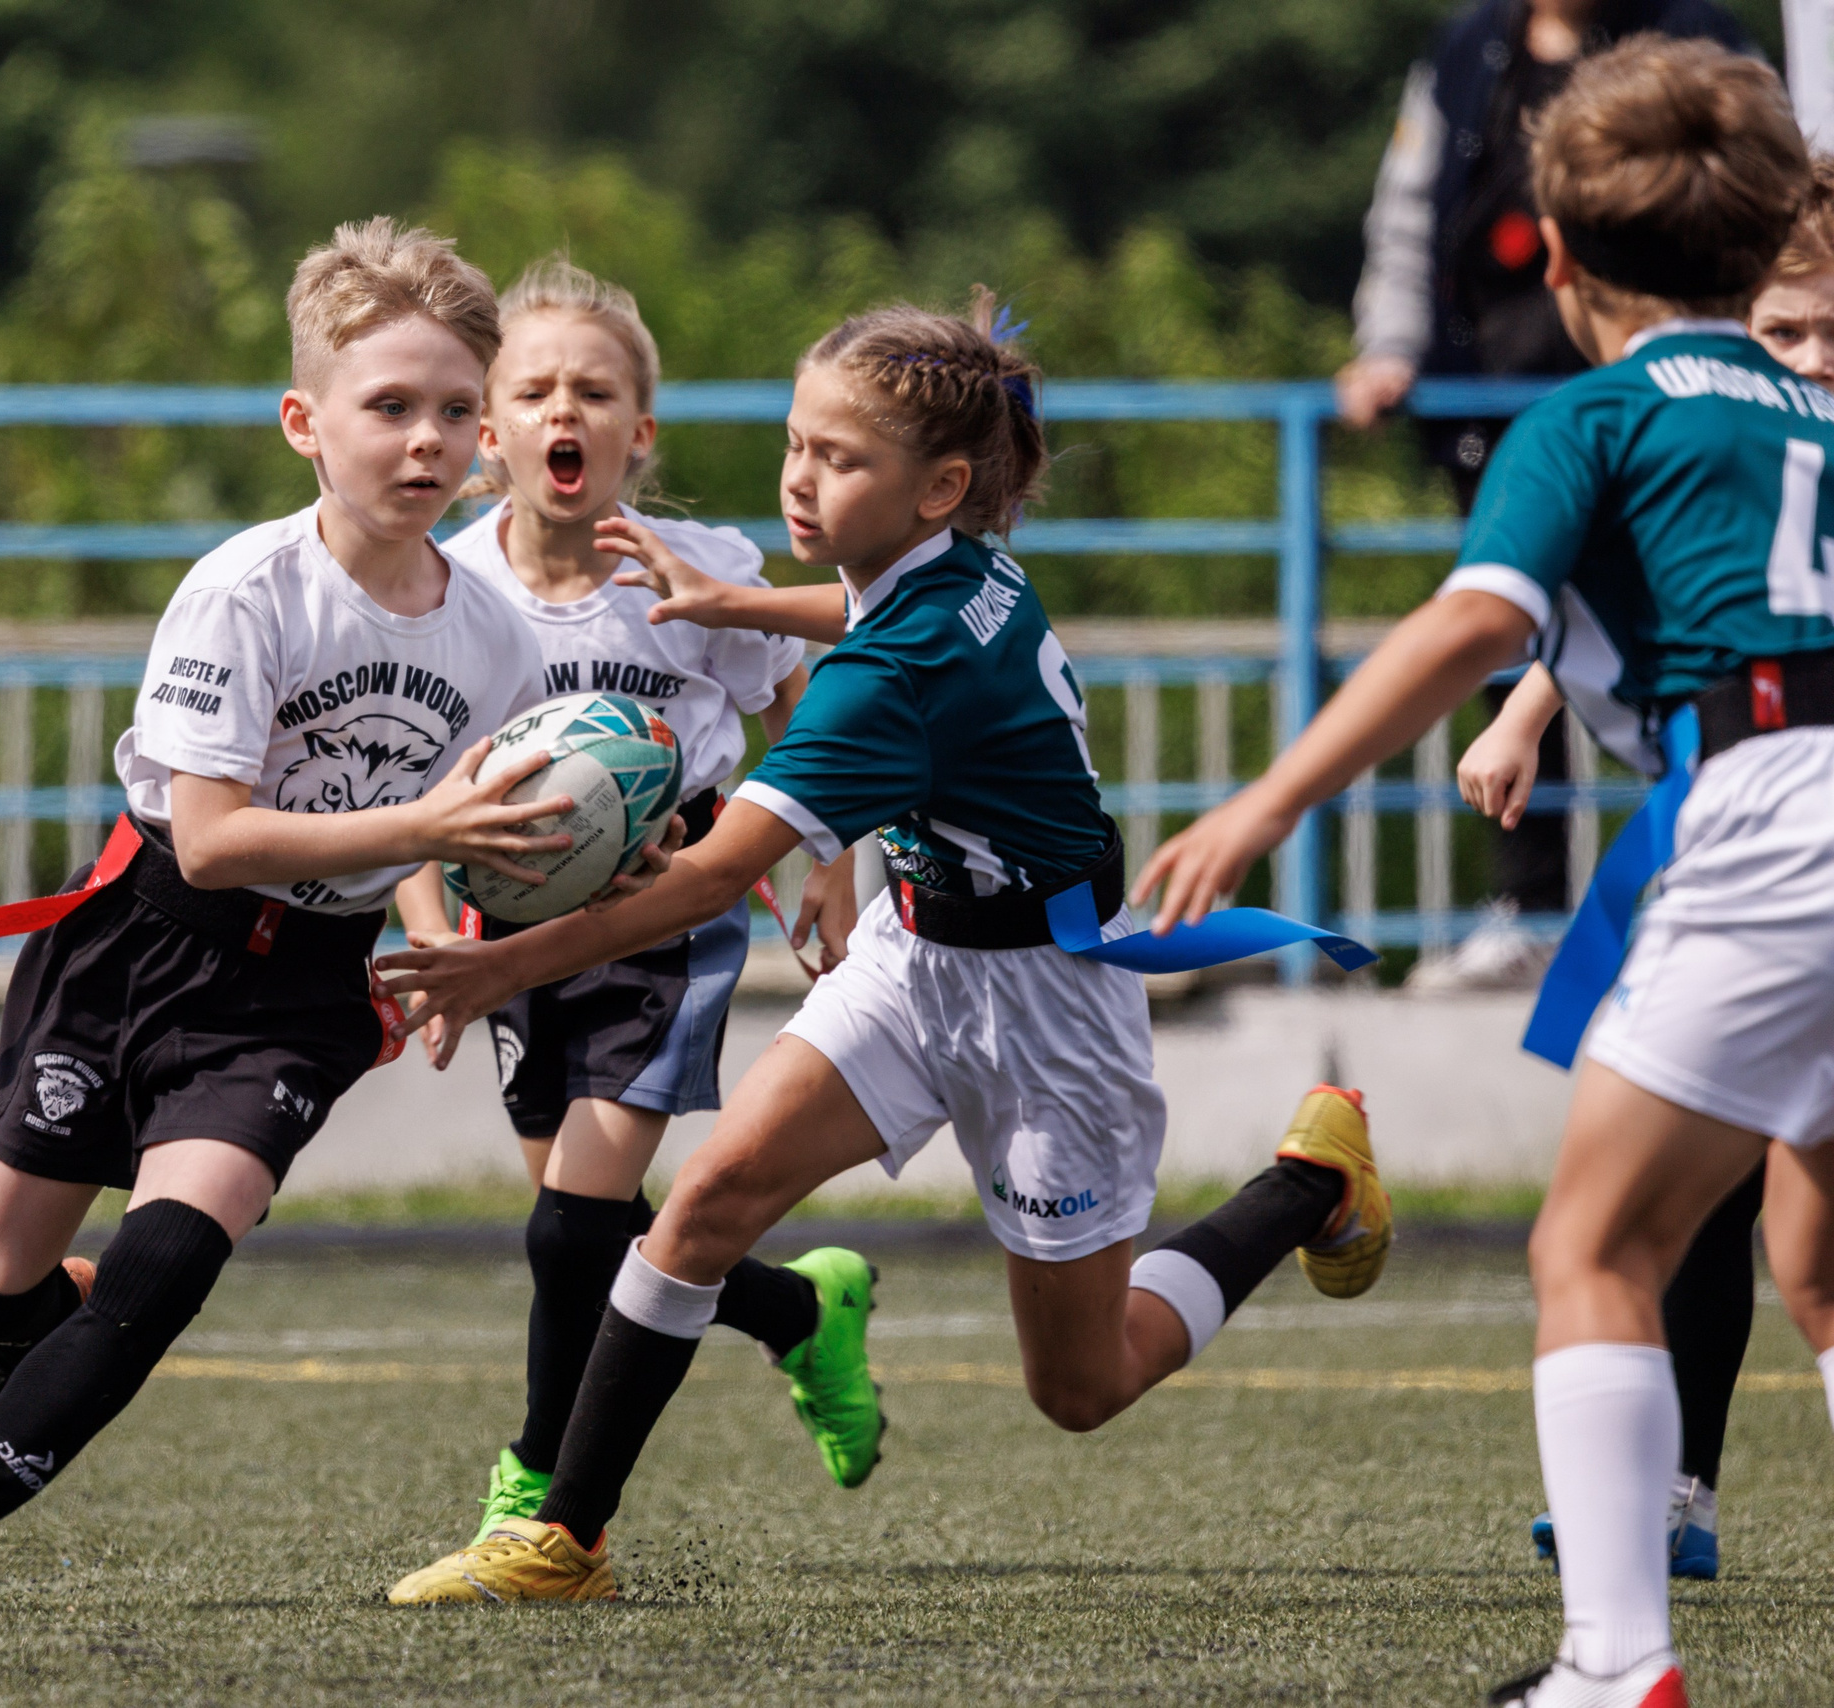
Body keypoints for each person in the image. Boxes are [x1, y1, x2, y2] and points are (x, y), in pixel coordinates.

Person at [377, 294, 1393, 1606]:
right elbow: (864, 608)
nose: (800, 478)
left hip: (1046, 1008)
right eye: (796, 444)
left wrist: (498, 965)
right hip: (916, 959)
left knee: (1083, 1384)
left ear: (940, 487)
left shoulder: (888, 683)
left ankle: (1310, 1181)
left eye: (839, 459)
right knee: (706, 1203)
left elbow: (712, 882)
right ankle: (563, 1539)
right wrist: (737, 599)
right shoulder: (951, 572)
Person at [1138, 41, 1834, 1706]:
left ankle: (1615, 1661)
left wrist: (1266, 801)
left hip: (1764, 810)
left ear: (1562, 255)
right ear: (1764, 245)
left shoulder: (1589, 414)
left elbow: (1471, 621)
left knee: (1593, 1247)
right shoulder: (1817, 409)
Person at [0, 217, 582, 1609]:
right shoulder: (245, 593)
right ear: (305, 423)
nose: (425, 441)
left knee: (173, 1256)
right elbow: (213, 838)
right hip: (142, 942)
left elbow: (436, 802)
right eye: (389, 408)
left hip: (297, 990)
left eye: (453, 412)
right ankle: (37, 1330)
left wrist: (453, 914)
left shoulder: (494, 636)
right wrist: (427, 832)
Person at [401, 255, 871, 1548]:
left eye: (596, 392)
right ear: (487, 434)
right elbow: (413, 789)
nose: (566, 411)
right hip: (512, 930)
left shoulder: (701, 570)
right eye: (534, 391)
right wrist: (434, 941)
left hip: (670, 910)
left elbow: (805, 716)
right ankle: (799, 1312)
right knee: (591, 1231)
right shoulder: (446, 587)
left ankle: (541, 1487)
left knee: (570, 1232)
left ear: (640, 431)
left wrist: (830, 859)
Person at [1457, 156, 1834, 1586]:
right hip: (1729, 820)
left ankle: (1620, 1628)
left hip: (1781, 832)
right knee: (1722, 1209)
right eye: (1784, 329)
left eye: (1830, 333)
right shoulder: (1716, 434)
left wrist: (1276, 798)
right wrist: (1525, 707)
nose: (1806, 356)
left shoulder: (1715, 428)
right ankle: (1674, 1488)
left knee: (1682, 1225)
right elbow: (1644, 601)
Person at [1337, 0, 1753, 991]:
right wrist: (1389, 345)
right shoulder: (1466, 48)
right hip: (1495, 406)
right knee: (1539, 636)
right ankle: (1538, 906)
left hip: (1655, 415)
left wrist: (1264, 807)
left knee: (1678, 636)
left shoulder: (1701, 35)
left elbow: (1476, 625)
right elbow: (1406, 215)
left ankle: (1686, 890)